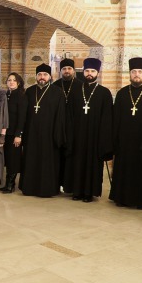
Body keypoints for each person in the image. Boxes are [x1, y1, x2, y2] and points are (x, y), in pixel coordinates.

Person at [109, 57, 142, 209]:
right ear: (130, 74)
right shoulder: (122, 93)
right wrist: (115, 141)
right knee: (123, 169)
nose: (136, 74)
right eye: (133, 72)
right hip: (124, 142)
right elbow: (115, 119)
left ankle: (141, 200)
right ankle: (121, 197)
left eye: (139, 72)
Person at [63, 57, 113, 202]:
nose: (89, 74)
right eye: (87, 71)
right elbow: (69, 115)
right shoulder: (75, 91)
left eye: (92, 71)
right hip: (77, 135)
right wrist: (69, 135)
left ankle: (89, 192)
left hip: (94, 137)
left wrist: (103, 140)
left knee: (92, 164)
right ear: (83, 72)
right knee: (76, 162)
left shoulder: (104, 93)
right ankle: (76, 191)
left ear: (98, 73)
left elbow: (107, 118)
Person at [19, 64, 66, 197]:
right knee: (31, 160)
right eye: (39, 74)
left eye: (45, 75)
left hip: (49, 135)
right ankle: (29, 188)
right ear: (36, 76)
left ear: (50, 77)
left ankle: (47, 189)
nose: (42, 77)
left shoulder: (57, 92)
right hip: (31, 134)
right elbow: (23, 114)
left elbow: (60, 116)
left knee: (47, 162)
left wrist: (57, 135)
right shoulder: (29, 91)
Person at [52, 58, 83, 190]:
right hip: (58, 125)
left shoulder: (81, 86)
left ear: (74, 71)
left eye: (69, 69)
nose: (67, 71)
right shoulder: (55, 86)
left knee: (72, 156)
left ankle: (70, 185)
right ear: (60, 71)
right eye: (64, 69)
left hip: (74, 126)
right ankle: (57, 183)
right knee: (57, 155)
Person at [0, 72, 27, 193]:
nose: (11, 82)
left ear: (19, 83)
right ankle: (7, 184)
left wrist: (18, 135)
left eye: (14, 80)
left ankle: (10, 185)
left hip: (14, 134)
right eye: (9, 80)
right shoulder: (6, 94)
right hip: (6, 132)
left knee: (13, 159)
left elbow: (22, 117)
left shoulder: (21, 96)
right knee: (7, 158)